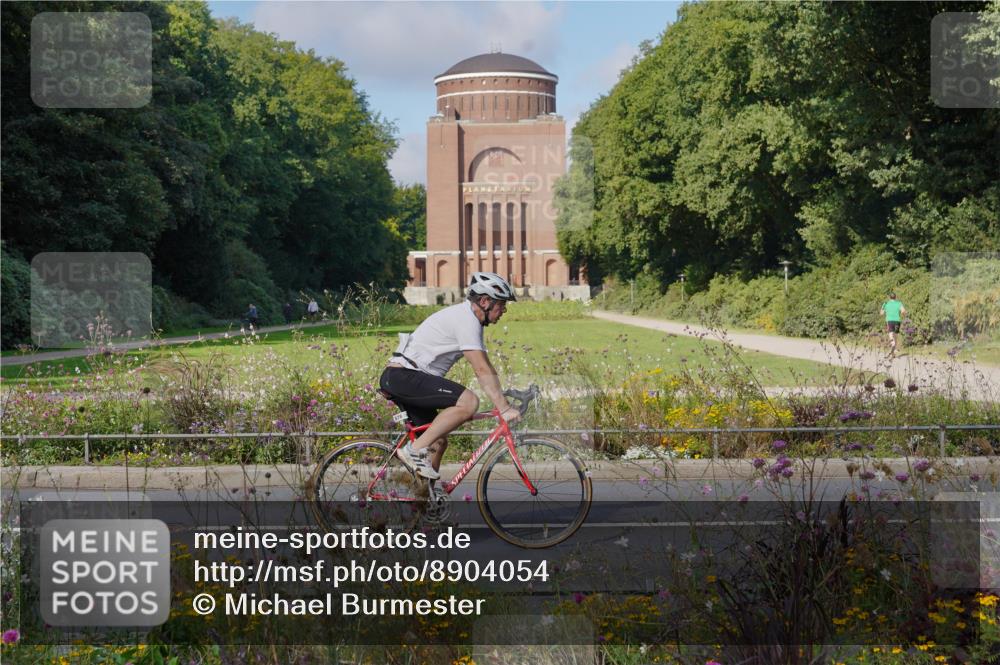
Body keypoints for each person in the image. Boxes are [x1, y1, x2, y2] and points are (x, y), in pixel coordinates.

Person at [378, 272, 521, 480]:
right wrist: (505, 408)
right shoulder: (466, 320)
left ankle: (425, 502)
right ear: (484, 301)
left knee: (437, 442)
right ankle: (413, 450)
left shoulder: (470, 320)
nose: (504, 310)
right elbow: (481, 369)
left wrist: (504, 400)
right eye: (501, 304)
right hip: (403, 376)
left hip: (404, 377)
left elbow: (487, 366)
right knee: (469, 401)